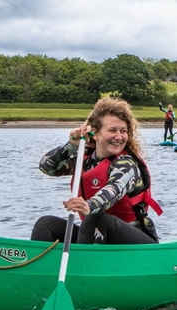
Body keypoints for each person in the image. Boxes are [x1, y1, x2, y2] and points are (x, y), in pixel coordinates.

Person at [31, 97, 162, 245]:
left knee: (96, 219)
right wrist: (71, 145)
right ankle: (43, 260)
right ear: (96, 133)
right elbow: (47, 167)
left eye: (123, 131)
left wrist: (89, 205)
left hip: (135, 242)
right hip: (97, 236)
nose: (119, 137)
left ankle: (84, 259)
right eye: (112, 130)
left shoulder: (126, 164)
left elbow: (114, 190)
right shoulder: (84, 160)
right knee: (45, 225)